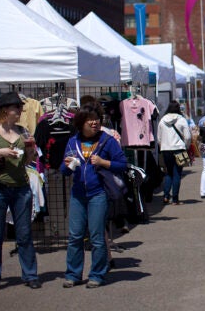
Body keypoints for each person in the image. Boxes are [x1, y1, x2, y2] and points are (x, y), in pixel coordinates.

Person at [0, 92, 41, 293]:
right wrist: (0, 152)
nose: (20, 111)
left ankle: (30, 275)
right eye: (17, 107)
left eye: (21, 107)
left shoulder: (23, 131)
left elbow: (27, 161)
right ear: (4, 110)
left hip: (21, 188)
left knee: (24, 235)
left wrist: (30, 152)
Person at [61, 104, 128, 288]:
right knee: (75, 236)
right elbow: (64, 171)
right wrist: (67, 166)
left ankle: (97, 274)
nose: (94, 122)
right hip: (77, 194)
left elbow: (122, 164)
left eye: (97, 119)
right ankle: (73, 274)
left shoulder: (107, 140)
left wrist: (103, 162)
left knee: (97, 237)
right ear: (81, 123)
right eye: (90, 119)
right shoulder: (73, 142)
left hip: (98, 194)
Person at [157, 100, 192, 205]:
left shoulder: (162, 120)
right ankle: (175, 199)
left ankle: (166, 196)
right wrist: (186, 146)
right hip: (179, 149)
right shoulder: (182, 119)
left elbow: (159, 138)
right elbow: (188, 137)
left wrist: (163, 146)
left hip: (166, 149)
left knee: (169, 173)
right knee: (177, 174)